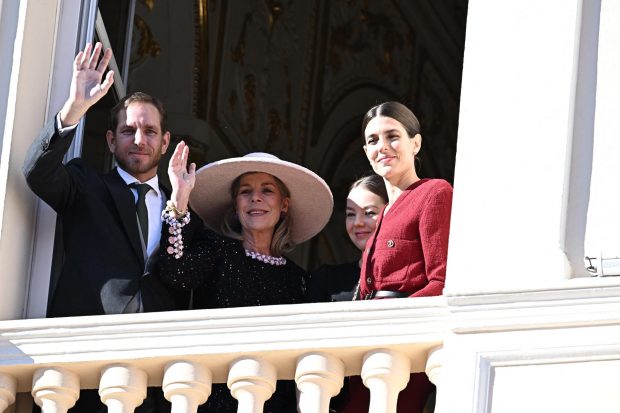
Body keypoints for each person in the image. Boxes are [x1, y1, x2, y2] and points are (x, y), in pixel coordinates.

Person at [23, 43, 196, 412]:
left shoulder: (180, 209)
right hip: (82, 374)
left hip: (154, 387)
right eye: (128, 130)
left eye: (150, 131)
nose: (139, 139)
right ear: (110, 140)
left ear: (165, 142)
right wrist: (75, 108)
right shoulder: (86, 185)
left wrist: (180, 204)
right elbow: (37, 172)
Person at [159, 147, 333, 412]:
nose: (255, 199)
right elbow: (177, 273)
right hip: (215, 400)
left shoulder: (300, 280)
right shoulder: (216, 250)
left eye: (267, 190)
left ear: (283, 204)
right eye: (245, 192)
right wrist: (180, 199)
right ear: (236, 204)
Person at [340, 101, 453, 413]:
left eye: (393, 136)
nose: (383, 147)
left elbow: (441, 281)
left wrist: (393, 319)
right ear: (366, 151)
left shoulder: (434, 193)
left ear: (415, 143)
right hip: (367, 351)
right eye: (373, 140)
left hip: (403, 350)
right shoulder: (385, 212)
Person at [307, 174, 388, 302]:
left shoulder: (408, 276)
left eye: (369, 213)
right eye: (350, 214)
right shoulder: (327, 279)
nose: (357, 222)